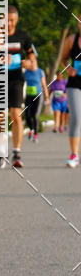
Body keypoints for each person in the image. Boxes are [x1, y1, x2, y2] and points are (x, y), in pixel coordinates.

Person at [0, 6, 36, 169]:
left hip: (16, 80)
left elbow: (32, 58)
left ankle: (16, 152)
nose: (9, 23)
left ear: (16, 20)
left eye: (12, 20)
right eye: (6, 20)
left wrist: (29, 62)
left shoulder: (23, 37)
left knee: (15, 114)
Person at [61, 20, 81, 167]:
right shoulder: (71, 40)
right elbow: (64, 59)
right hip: (75, 84)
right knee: (76, 118)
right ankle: (74, 155)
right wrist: (68, 69)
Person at [23, 61, 48, 141]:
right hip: (29, 96)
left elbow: (44, 85)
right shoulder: (26, 72)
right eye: (31, 63)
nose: (32, 64)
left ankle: (36, 134)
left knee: (35, 115)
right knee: (27, 115)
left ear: (36, 63)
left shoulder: (40, 72)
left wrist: (47, 97)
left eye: (34, 63)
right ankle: (31, 129)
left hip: (38, 96)